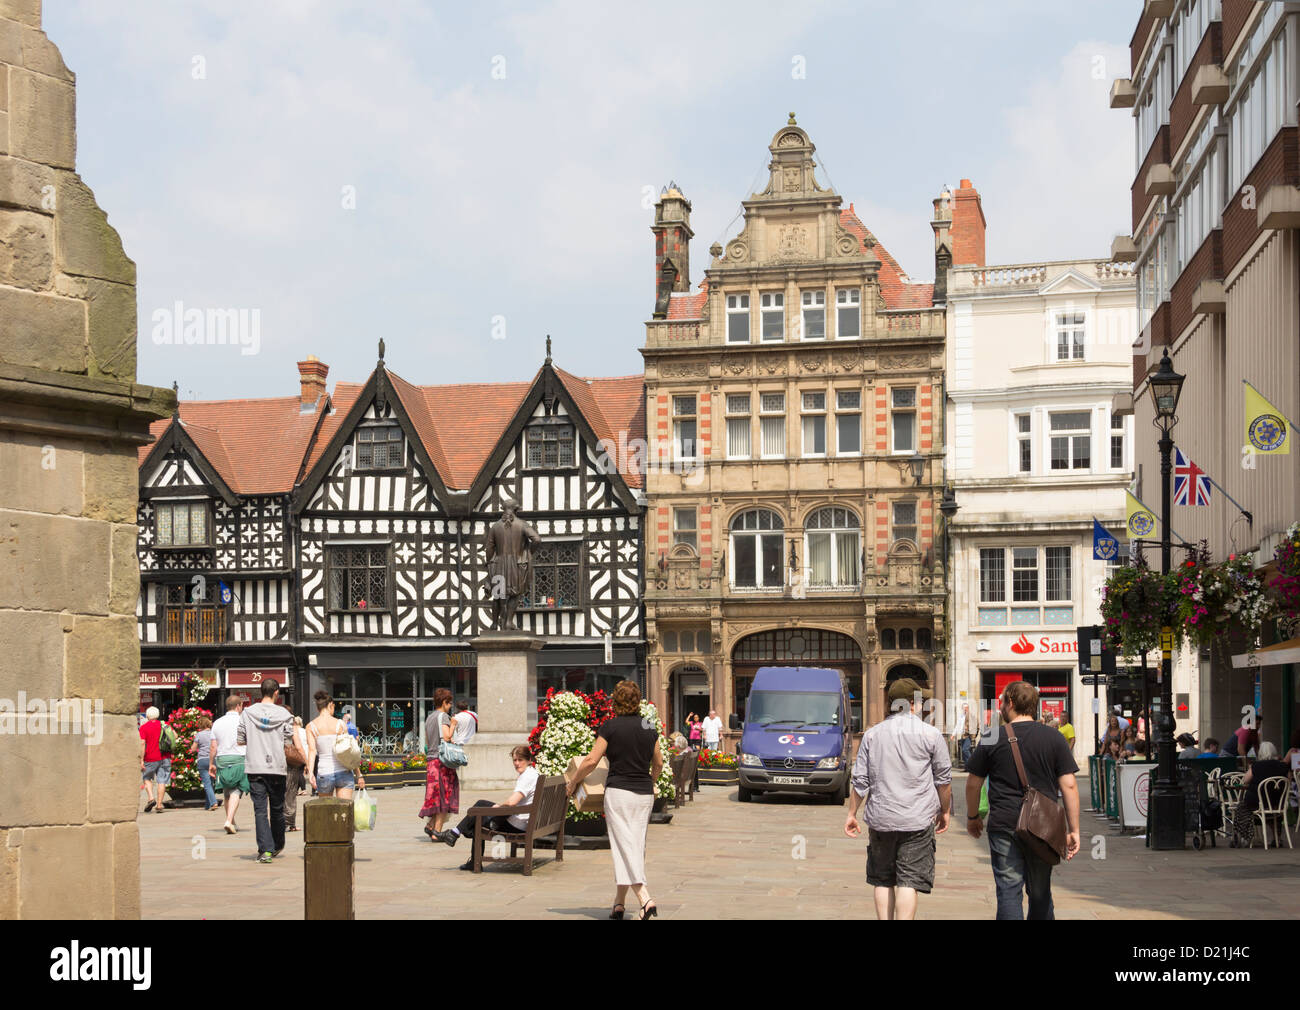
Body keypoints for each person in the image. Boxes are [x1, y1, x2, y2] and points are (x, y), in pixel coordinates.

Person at [965, 680, 1080, 920]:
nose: (1001, 707)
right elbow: (1068, 785)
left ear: (1010, 703)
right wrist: (1073, 829)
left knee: (1008, 890)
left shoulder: (991, 737)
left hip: (1004, 823)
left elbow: (974, 783)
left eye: (1003, 702)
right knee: (1040, 892)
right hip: (1043, 825)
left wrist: (973, 816)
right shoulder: (1055, 738)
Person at [844, 678, 951, 921]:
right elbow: (943, 780)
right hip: (917, 819)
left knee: (882, 879)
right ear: (913, 703)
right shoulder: (931, 734)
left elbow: (860, 780)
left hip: (882, 819)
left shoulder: (872, 735)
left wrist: (852, 813)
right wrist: (945, 811)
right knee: (909, 880)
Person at [568, 680, 663, 920]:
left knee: (623, 844)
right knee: (633, 845)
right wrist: (651, 780)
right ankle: (619, 904)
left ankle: (644, 898)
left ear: (616, 701)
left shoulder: (610, 726)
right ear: (637, 700)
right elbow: (659, 762)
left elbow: (591, 761)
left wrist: (572, 782)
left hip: (619, 792)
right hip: (644, 793)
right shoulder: (647, 724)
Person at [434, 746, 538, 870]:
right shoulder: (532, 773)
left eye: (520, 760)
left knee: (477, 820)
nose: (516, 763)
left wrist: (499, 808)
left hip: (517, 825)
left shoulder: (527, 777)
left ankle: (459, 839)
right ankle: (455, 833)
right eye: (514, 760)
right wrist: (499, 807)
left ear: (528, 760)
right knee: (480, 804)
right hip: (522, 820)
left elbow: (512, 803)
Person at [237, 678, 295, 864]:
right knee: (277, 808)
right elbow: (288, 741)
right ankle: (278, 844)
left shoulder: (247, 712)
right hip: (277, 767)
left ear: (261, 692)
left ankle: (265, 850)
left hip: (255, 766)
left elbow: (240, 738)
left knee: (260, 810)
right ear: (276, 692)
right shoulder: (284, 714)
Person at [306, 691, 364, 801]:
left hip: (324, 772)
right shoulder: (341, 724)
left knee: (326, 812)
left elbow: (312, 751)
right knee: (344, 812)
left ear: (318, 708)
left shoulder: (311, 726)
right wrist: (359, 774)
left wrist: (310, 773)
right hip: (344, 770)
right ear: (330, 705)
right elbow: (349, 751)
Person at [419, 688, 459, 840]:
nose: (450, 707)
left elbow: (429, 742)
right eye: (449, 704)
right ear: (444, 702)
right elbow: (447, 737)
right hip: (442, 763)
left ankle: (431, 826)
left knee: (437, 795)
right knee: (445, 796)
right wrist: (453, 724)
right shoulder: (444, 717)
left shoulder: (429, 718)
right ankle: (437, 831)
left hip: (431, 761)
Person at [1233, 742, 1289, 844]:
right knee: (1274, 815)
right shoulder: (1283, 766)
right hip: (1277, 802)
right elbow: (1288, 781)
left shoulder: (1256, 766)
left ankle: (1244, 836)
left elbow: (1245, 780)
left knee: (1241, 807)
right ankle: (1277, 838)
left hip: (1257, 802)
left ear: (1261, 753)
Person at [138, 706, 170, 814]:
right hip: (164, 756)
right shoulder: (164, 725)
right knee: (161, 780)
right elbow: (174, 736)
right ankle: (160, 805)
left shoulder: (143, 728)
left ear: (147, 716)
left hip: (150, 757)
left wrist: (141, 759)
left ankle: (151, 798)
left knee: (147, 778)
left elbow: (142, 743)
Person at [284, 714, 308, 831]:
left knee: (279, 794)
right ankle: (289, 823)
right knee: (290, 793)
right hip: (291, 764)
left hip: (275, 764)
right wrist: (306, 762)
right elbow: (299, 747)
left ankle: (279, 822)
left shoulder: (274, 727)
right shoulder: (293, 729)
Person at [192, 715, 218, 810]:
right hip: (213, 759)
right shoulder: (213, 733)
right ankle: (208, 804)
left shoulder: (199, 735)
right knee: (211, 783)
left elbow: (193, 749)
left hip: (202, 760)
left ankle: (213, 802)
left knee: (207, 784)